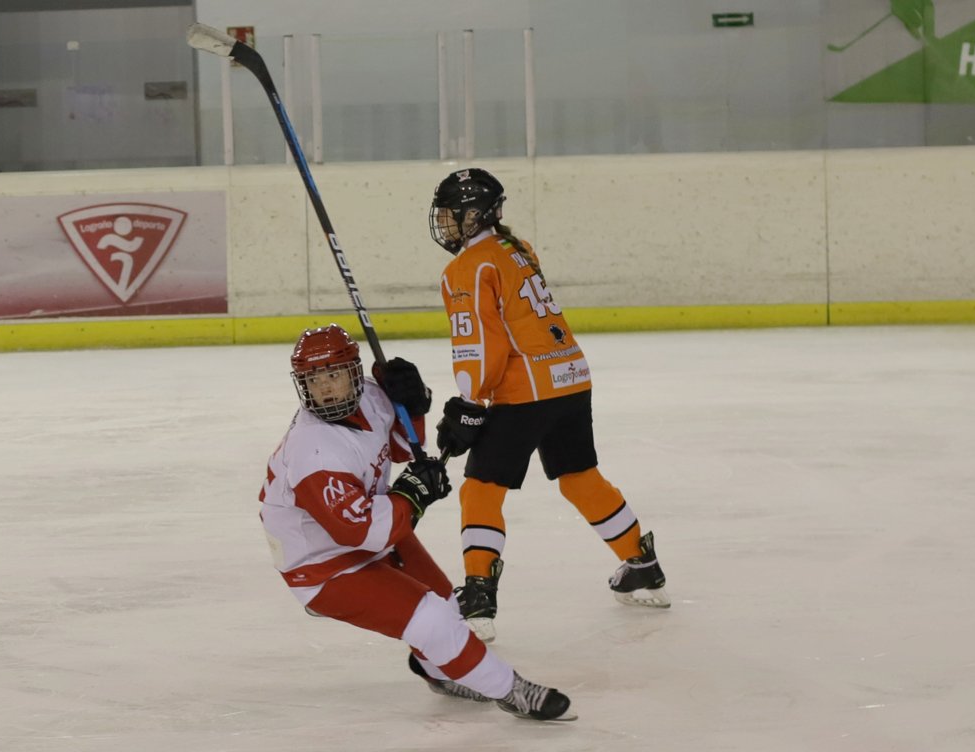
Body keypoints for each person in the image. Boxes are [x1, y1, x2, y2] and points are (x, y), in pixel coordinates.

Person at [258, 323, 575, 721]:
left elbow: (397, 447)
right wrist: (412, 494)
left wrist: (415, 405)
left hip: (368, 519)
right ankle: (512, 691)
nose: (324, 388)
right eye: (314, 378)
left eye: (334, 375)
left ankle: (435, 670)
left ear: (355, 374)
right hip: (321, 562)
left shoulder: (370, 397)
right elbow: (364, 533)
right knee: (432, 618)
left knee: (444, 600)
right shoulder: (314, 450)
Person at [428, 168, 671, 643]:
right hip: (571, 378)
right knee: (580, 478)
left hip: (526, 392)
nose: (445, 225)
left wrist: (469, 400)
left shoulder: (465, 268)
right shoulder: (515, 248)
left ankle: (478, 595)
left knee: (481, 487)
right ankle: (641, 563)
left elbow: (482, 341)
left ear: (476, 216)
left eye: (452, 216)